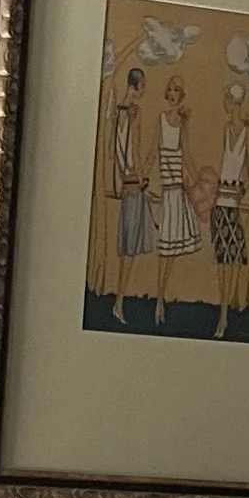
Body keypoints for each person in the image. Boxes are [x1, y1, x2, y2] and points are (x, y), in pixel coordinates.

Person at [210, 79, 249, 336]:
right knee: (222, 262)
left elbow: (248, 165)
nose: (228, 105)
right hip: (220, 204)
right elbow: (223, 162)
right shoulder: (226, 128)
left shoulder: (246, 131)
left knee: (231, 262)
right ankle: (222, 314)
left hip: (233, 205)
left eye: (229, 101)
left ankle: (225, 315)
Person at [153, 74, 200, 323]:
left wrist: (198, 180)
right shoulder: (160, 120)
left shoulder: (183, 123)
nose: (172, 94)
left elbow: (186, 154)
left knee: (170, 251)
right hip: (167, 190)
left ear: (181, 96)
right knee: (165, 249)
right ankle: (159, 300)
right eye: (169, 90)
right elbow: (152, 152)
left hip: (178, 191)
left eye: (176, 91)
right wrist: (138, 176)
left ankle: (160, 297)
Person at [107, 65, 152, 313]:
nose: (144, 90)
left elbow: (115, 149)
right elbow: (134, 147)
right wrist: (144, 178)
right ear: (136, 86)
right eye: (143, 86)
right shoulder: (133, 111)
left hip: (125, 182)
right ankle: (119, 301)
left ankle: (119, 300)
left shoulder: (117, 111)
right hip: (134, 182)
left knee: (127, 247)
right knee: (130, 247)